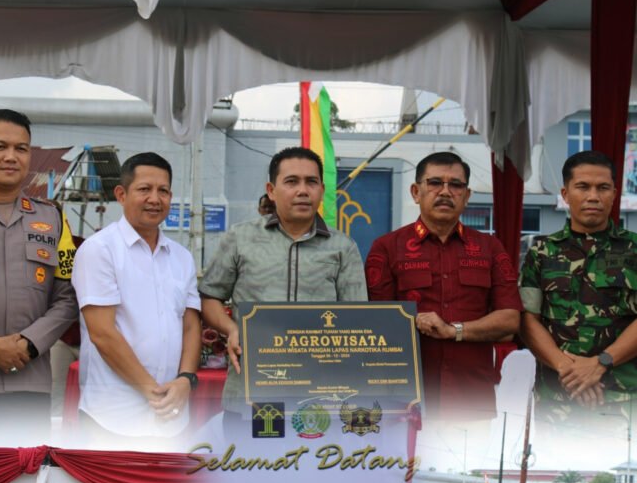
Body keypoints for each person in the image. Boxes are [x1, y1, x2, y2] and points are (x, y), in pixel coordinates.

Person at [199, 146, 367, 414]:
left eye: (311, 182)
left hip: (320, 397)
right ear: (271, 190)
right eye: (291, 182)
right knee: (248, 456)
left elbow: (357, 318)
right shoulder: (239, 238)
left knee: (320, 457)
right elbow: (210, 297)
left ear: (322, 190)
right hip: (249, 392)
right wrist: (232, 329)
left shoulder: (343, 247)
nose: (303, 190)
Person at [365, 151, 522, 419]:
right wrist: (414, 322)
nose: (445, 191)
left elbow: (509, 321)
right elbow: (374, 323)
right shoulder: (387, 248)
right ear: (416, 192)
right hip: (406, 401)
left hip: (471, 398)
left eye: (456, 185)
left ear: (467, 195)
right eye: (435, 182)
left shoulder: (490, 248)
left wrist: (453, 331)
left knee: (472, 462)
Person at [72, 151, 201, 443]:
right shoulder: (99, 250)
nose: (155, 199)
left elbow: (191, 326)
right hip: (112, 417)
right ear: (121, 194)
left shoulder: (181, 258)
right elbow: (102, 333)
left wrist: (186, 380)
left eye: (163, 191)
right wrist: (151, 392)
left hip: (172, 420)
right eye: (144, 189)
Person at [0, 108, 78, 441]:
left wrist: (30, 344)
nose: (11, 157)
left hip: (29, 383)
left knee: (26, 481)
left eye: (21, 148)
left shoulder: (54, 219)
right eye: (0, 146)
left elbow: (68, 296)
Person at [520, 150, 637, 420]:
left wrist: (600, 364)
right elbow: (528, 320)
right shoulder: (542, 252)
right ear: (565, 193)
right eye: (583, 187)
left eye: (603, 188)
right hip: (557, 399)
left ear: (614, 193)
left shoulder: (634, 249)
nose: (593, 196)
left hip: (623, 400)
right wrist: (567, 369)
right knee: (556, 463)